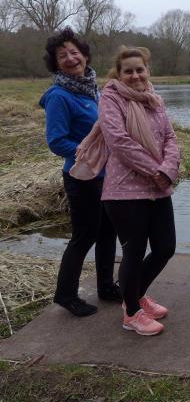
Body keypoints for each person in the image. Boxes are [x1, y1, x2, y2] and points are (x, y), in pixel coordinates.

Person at [73, 46, 179, 336]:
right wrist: (156, 171)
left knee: (166, 247)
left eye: (139, 69)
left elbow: (170, 138)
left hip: (158, 187)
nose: (135, 75)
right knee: (134, 251)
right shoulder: (111, 98)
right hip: (124, 191)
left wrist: (168, 170)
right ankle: (131, 313)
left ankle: (136, 294)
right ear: (118, 74)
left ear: (147, 71)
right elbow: (118, 141)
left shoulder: (154, 99)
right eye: (128, 71)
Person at [39, 28, 121, 317]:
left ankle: (106, 287)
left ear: (85, 55)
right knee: (84, 236)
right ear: (56, 64)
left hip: (107, 177)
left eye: (74, 52)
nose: (71, 58)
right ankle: (66, 295)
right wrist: (92, 155)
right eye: (62, 56)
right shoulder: (59, 96)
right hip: (81, 178)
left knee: (108, 232)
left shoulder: (94, 90)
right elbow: (56, 141)